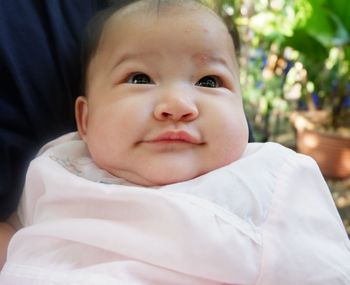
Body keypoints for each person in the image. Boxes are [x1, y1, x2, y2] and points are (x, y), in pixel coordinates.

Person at [1, 0, 350, 284]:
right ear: (86, 121)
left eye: (210, 82)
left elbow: (326, 271)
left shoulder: (271, 179)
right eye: (139, 78)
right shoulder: (58, 163)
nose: (178, 106)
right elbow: (19, 232)